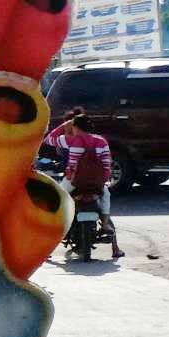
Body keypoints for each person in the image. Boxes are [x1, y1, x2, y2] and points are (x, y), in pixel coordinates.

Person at [47, 108, 123, 259]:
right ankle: (108, 229)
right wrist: (103, 180)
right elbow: (107, 163)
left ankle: (49, 243)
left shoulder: (71, 140)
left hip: (74, 181)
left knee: (57, 201)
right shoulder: (101, 141)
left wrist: (63, 126)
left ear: (75, 126)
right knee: (105, 198)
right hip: (97, 182)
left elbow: (49, 139)